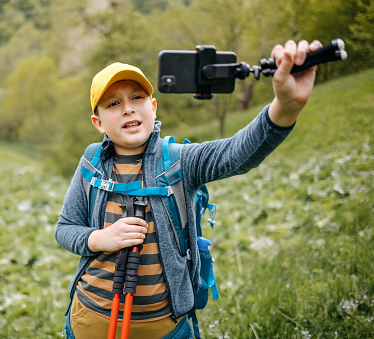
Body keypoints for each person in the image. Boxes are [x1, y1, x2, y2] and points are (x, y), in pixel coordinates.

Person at [55, 39, 322, 339]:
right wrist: (100, 237)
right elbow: (65, 228)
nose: (128, 109)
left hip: (165, 329)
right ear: (98, 122)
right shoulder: (91, 163)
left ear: (152, 106)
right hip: (88, 320)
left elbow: (237, 153)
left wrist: (285, 107)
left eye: (137, 97)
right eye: (113, 103)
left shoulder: (180, 161)